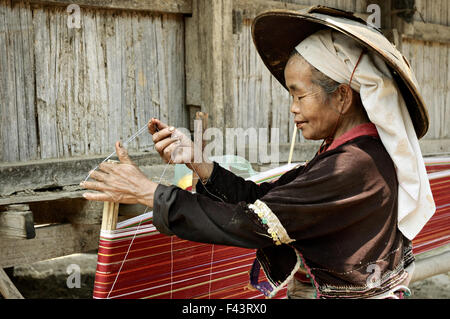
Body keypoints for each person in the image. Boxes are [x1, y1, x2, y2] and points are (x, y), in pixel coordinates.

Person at [81, 7, 435, 299]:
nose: (293, 109)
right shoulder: (354, 152)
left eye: (300, 95)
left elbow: (254, 224)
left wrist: (147, 192)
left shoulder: (353, 165)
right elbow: (267, 201)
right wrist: (198, 162)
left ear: (342, 96)